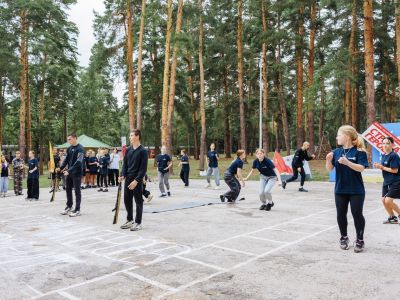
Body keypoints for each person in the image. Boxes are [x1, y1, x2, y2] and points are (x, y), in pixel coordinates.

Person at [326, 125, 369, 253]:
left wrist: (347, 163)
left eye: (339, 135)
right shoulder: (336, 152)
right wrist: (328, 160)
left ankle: (360, 240)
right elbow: (330, 169)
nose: (337, 137)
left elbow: (361, 168)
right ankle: (344, 237)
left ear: (347, 136)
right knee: (340, 214)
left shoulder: (359, 152)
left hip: (356, 190)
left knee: (357, 214)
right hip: (340, 189)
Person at [119, 129, 148, 231]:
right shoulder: (128, 150)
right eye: (130, 135)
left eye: (131, 135)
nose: (130, 137)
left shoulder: (143, 151)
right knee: (127, 200)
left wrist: (136, 180)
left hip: (137, 179)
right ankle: (130, 220)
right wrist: (122, 175)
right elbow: (125, 164)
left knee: (138, 201)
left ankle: (138, 222)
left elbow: (143, 169)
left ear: (137, 136)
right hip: (128, 178)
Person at [373, 137, 400, 224]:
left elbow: (395, 170)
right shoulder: (384, 155)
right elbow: (384, 167)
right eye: (383, 143)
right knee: (383, 200)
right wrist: (378, 165)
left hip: (396, 181)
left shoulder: (394, 156)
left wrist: (382, 167)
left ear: (392, 145)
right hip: (387, 181)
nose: (385, 145)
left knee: (388, 200)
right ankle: (392, 217)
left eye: (387, 143)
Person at [59, 133, 85, 217]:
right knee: (68, 189)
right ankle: (69, 206)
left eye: (69, 139)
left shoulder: (80, 148)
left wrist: (69, 170)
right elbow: (66, 159)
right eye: (68, 139)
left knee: (77, 191)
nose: (68, 141)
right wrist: (60, 167)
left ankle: (77, 210)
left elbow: (78, 162)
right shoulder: (69, 148)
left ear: (75, 138)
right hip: (69, 173)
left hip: (76, 173)